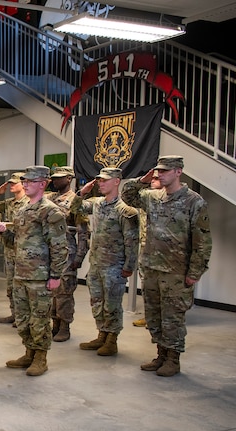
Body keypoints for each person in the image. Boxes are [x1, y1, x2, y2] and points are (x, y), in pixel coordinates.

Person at [121, 155, 212, 377]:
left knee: (173, 317)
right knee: (154, 316)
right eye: (158, 170)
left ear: (178, 172)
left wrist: (195, 272)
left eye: (165, 171)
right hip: (151, 268)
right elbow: (128, 195)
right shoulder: (153, 197)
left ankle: (173, 359)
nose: (159, 174)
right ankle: (161, 354)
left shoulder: (194, 201)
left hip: (176, 271)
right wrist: (142, 180)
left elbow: (203, 241)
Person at [0, 166, 68, 376]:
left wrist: (55, 275)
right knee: (23, 318)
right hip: (21, 275)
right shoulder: (22, 210)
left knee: (40, 319)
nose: (25, 184)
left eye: (30, 181)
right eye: (24, 181)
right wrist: (4, 233)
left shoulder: (51, 211)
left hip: (40, 277)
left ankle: (40, 358)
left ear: (43, 184)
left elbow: (59, 246)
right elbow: (16, 243)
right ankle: (29, 352)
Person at [72, 167, 139, 356]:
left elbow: (132, 242)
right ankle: (101, 334)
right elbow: (75, 208)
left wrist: (129, 267)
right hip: (96, 264)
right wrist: (82, 193)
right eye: (99, 180)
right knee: (97, 302)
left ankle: (112, 340)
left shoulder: (127, 211)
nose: (100, 183)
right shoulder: (97, 203)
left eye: (105, 180)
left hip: (114, 266)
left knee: (112, 304)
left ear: (117, 181)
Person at [46, 166, 90, 342]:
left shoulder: (75, 201)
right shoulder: (50, 199)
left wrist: (79, 257)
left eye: (59, 178)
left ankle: (64, 326)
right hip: (49, 252)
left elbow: (83, 231)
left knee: (64, 292)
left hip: (67, 252)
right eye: (54, 178)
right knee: (51, 292)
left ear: (69, 179)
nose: (55, 181)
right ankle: (54, 323)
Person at [0, 171, 28, 325]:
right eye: (10, 183)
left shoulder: (29, 203)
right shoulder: (8, 203)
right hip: (9, 249)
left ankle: (24, 318)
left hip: (24, 251)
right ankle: (15, 314)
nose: (11, 185)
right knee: (11, 286)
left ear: (24, 184)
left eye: (15, 183)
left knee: (23, 287)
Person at [131, 173, 163, 329]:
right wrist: (142, 179)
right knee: (147, 284)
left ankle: (163, 317)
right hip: (145, 247)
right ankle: (149, 315)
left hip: (164, 251)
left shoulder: (169, 201)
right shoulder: (146, 199)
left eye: (156, 178)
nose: (153, 181)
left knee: (163, 285)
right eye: (152, 178)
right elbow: (129, 194)